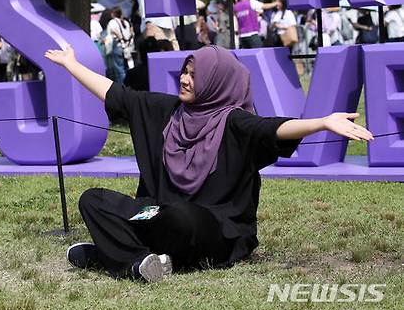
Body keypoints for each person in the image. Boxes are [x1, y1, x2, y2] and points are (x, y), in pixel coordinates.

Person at [44, 44, 373, 282]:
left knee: (182, 214)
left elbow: (274, 127)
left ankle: (110, 255)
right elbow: (116, 93)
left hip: (214, 232)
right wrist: (71, 64)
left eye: (194, 75)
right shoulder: (167, 111)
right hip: (159, 215)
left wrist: (322, 122)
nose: (185, 79)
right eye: (185, 71)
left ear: (217, 83)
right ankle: (140, 261)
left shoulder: (234, 122)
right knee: (94, 200)